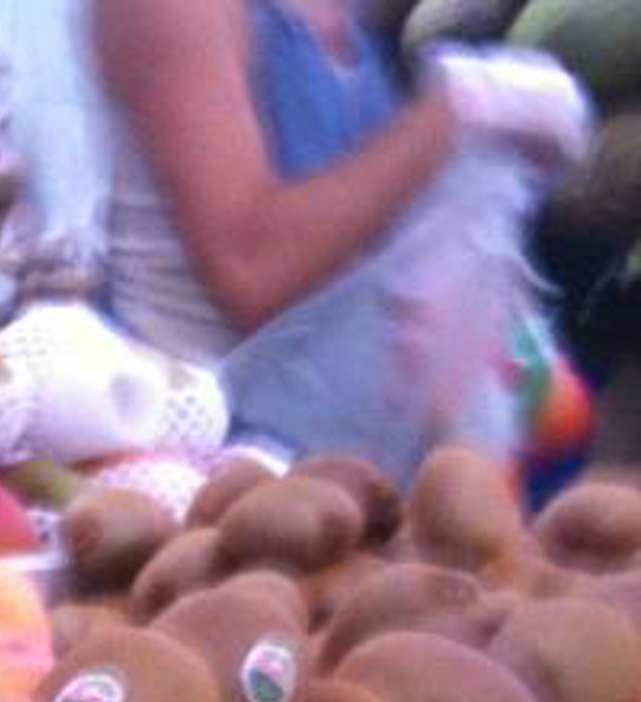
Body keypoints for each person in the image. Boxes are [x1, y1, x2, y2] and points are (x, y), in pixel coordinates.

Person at [93, 0, 592, 465]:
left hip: (351, 445)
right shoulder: (177, 9)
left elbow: (367, 227)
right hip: (217, 457)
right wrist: (451, 114)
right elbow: (251, 267)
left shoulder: (338, 13)